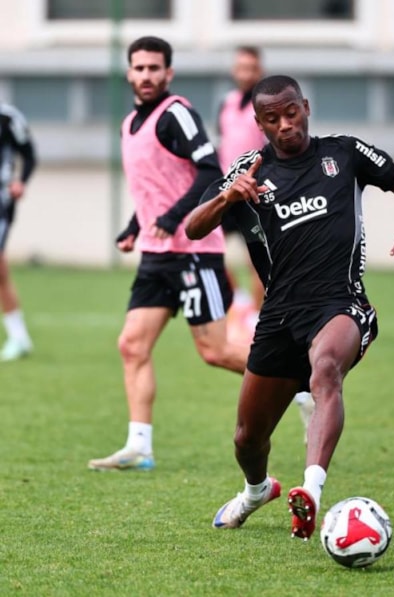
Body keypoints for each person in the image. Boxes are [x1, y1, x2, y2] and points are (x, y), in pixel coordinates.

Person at [184, 75, 394, 538]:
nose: (286, 125)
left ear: (305, 107)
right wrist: (228, 196)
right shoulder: (248, 170)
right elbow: (194, 228)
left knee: (326, 372)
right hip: (279, 315)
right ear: (259, 123)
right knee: (247, 439)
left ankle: (312, 491)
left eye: (291, 113)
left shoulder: (345, 153)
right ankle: (257, 490)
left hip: (340, 302)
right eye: (273, 119)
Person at [88, 36, 249, 471]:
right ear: (129, 73)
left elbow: (211, 171)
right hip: (156, 254)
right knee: (132, 345)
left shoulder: (177, 113)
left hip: (194, 252)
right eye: (139, 68)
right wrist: (134, 226)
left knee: (215, 351)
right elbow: (155, 189)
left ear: (168, 73)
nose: (146, 75)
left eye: (154, 68)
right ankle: (139, 447)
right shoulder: (128, 124)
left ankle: (301, 383)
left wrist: (174, 217)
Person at [216, 46, 315, 433]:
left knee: (261, 257)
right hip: (231, 188)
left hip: (260, 189)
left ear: (259, 69)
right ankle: (242, 304)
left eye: (251, 66)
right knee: (217, 251)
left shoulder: (270, 107)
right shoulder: (227, 104)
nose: (245, 71)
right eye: (240, 65)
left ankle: (258, 316)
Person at [0, 102, 36, 362]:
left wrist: (21, 182)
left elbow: (30, 154)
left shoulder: (8, 118)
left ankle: (18, 336)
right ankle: (19, 337)